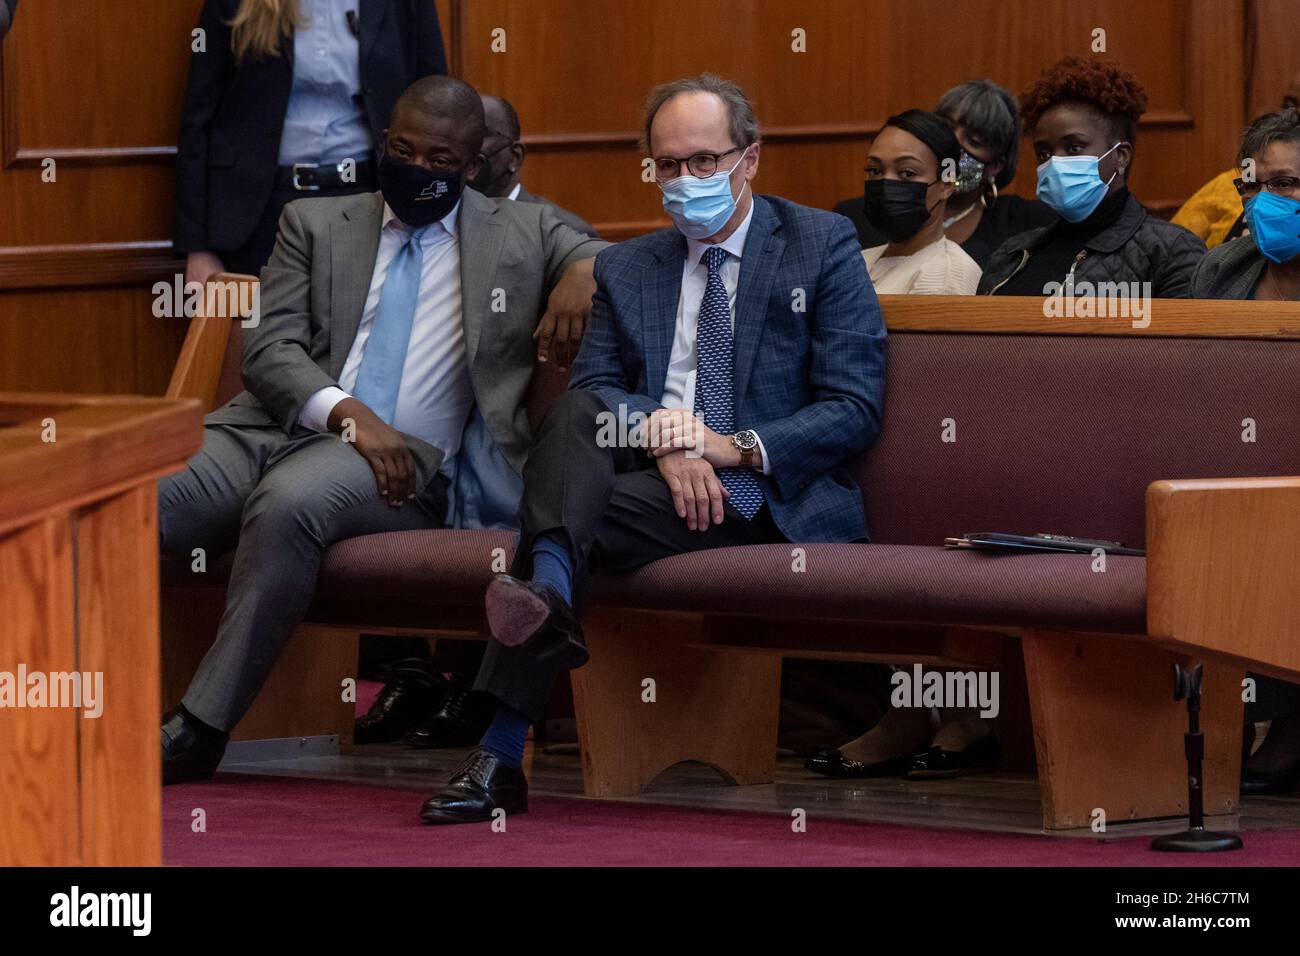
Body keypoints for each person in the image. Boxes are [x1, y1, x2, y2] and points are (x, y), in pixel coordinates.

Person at [418, 73, 888, 825]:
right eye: (668, 165)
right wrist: (670, 439)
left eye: (705, 161)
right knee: (575, 423)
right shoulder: (630, 266)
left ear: (750, 158)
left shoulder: (819, 244)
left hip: (763, 494)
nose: (685, 180)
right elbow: (598, 388)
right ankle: (534, 630)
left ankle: (500, 748)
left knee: (558, 537)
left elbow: (852, 408)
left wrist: (727, 446)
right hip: (655, 485)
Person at [159, 75, 608, 785]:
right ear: (382, 144)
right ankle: (63, 706)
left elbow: (601, 254)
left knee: (291, 503)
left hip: (401, 469)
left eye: (440, 160)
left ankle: (201, 727)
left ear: (472, 165)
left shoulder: (520, 231)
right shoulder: (313, 223)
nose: (417, 169)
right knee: (126, 501)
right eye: (403, 150)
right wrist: (348, 413)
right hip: (275, 429)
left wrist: (582, 271)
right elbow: (270, 351)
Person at [174, 0, 447, 284]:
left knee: (360, 326)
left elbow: (435, 104)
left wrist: (431, 221)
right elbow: (198, 121)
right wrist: (198, 247)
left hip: (368, 203)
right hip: (259, 212)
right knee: (263, 327)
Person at [1189, 107, 1300, 793]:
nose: (1273, 201)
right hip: (1242, 465)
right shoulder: (1220, 270)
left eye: (1290, 184)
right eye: (1258, 184)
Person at [979, 56, 1206, 297]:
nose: (1055, 162)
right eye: (1044, 153)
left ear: (1120, 156)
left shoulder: (1170, 252)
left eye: (1074, 148)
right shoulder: (1012, 254)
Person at [833, 79, 1055, 268]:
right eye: (945, 128)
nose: (954, 144)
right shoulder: (854, 216)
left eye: (974, 140)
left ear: (995, 165)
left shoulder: (1027, 222)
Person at [859, 109, 982, 295]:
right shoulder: (859, 261)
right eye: (875, 171)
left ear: (947, 185)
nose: (886, 183)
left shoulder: (947, 274)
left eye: (908, 173)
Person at [1174, 70, 1300, 249]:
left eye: (1283, 183)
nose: (1296, 115)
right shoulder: (1231, 184)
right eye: (1289, 105)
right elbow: (1172, 249)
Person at [472, 93, 600, 237]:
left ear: (515, 157)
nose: (465, 146)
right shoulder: (448, 220)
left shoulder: (566, 231)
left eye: (479, 134)